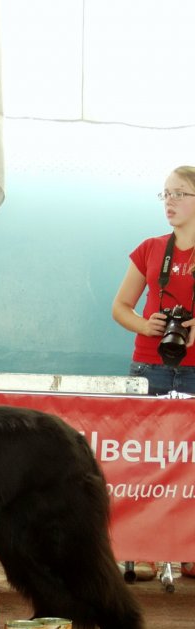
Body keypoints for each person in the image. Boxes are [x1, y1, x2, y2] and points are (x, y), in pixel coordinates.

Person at [112, 164, 195, 580]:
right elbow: (120, 307)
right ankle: (138, 544)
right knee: (144, 459)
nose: (170, 202)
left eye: (180, 194)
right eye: (165, 194)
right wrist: (146, 325)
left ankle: (186, 548)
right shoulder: (149, 248)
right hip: (149, 365)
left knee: (190, 464)